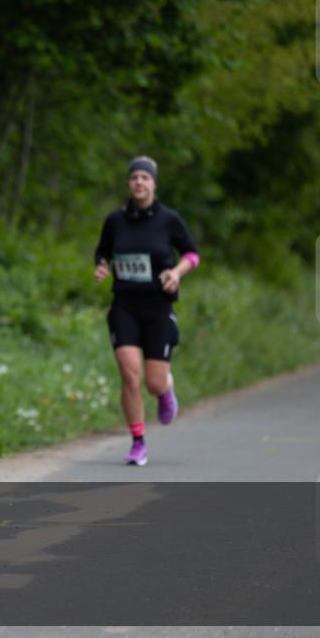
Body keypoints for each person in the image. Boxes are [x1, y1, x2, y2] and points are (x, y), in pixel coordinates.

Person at [94, 156, 200, 466]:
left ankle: (165, 389)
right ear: (128, 184)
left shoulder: (168, 220)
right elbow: (103, 251)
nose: (139, 182)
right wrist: (101, 266)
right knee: (130, 375)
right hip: (124, 305)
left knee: (153, 382)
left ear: (154, 183)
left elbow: (192, 254)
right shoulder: (115, 221)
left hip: (158, 307)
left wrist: (177, 272)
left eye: (145, 177)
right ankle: (138, 442)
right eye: (134, 178)